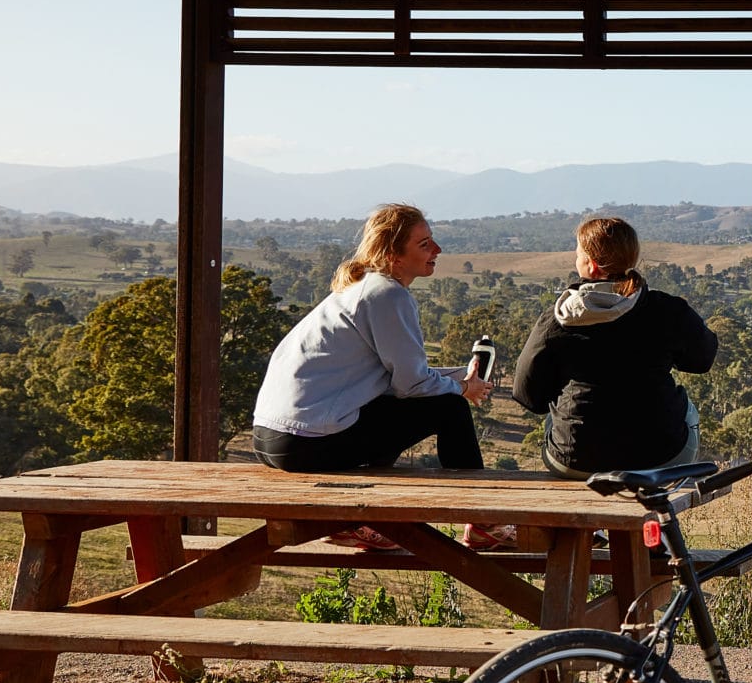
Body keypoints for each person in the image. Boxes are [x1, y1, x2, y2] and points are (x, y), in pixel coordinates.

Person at [251, 204, 492, 477]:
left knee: (389, 409)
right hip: (305, 441)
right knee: (451, 407)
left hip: (270, 435)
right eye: (425, 244)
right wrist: (462, 388)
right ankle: (480, 516)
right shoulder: (388, 295)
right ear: (394, 256)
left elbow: (397, 378)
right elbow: (411, 384)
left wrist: (461, 375)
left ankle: (377, 516)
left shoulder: (360, 288)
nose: (437, 249)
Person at [511, 215, 718, 479]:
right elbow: (702, 360)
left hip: (575, 459)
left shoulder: (557, 320)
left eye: (578, 254)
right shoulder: (667, 310)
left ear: (592, 265)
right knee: (688, 409)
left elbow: (527, 394)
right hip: (661, 456)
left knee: (556, 417)